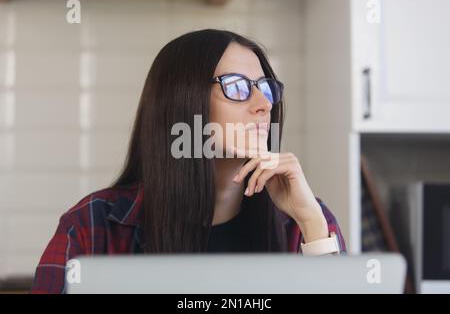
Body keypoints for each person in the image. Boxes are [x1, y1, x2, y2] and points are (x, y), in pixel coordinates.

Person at [30, 29, 346, 294]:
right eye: (236, 87)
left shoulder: (302, 223)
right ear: (182, 102)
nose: (264, 104)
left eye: (265, 87)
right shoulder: (93, 225)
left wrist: (313, 226)